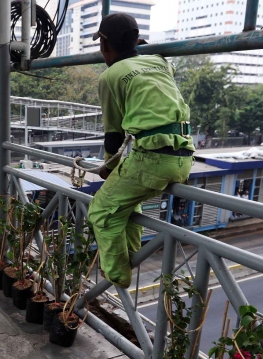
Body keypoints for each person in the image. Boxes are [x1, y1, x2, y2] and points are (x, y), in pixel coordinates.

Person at [87, 13, 195, 288]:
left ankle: (116, 277)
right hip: (184, 156)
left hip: (151, 160)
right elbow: (148, 61)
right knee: (128, 202)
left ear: (104, 46)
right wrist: (138, 48)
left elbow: (114, 135)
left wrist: (108, 168)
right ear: (136, 41)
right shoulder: (161, 63)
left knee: (102, 210)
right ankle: (133, 255)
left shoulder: (110, 76)